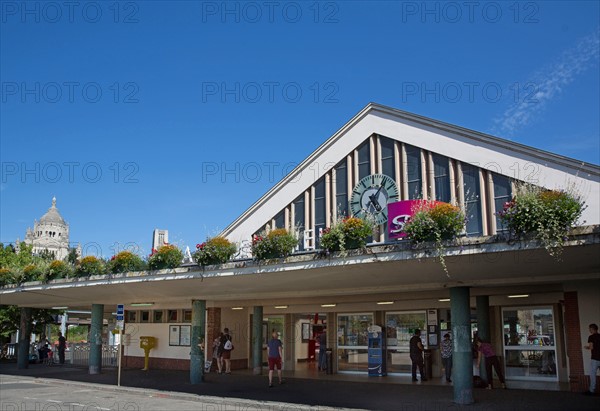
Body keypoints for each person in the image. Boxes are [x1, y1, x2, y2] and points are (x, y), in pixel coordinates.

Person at [583, 323, 600, 396]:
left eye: (590, 329)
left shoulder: (591, 337)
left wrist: (586, 347)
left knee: (592, 375)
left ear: (592, 329)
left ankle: (592, 390)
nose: (589, 330)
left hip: (595, 358)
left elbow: (591, 347)